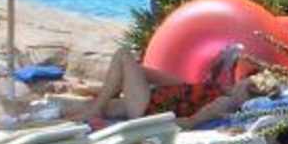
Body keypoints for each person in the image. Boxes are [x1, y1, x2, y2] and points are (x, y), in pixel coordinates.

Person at [65, 42, 256, 129]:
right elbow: (189, 87)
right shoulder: (222, 90)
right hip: (154, 100)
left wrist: (146, 126)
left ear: (247, 95)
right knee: (84, 107)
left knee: (123, 55)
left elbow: (190, 122)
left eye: (246, 83)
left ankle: (95, 108)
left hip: (148, 110)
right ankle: (90, 97)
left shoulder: (225, 102)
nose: (241, 81)